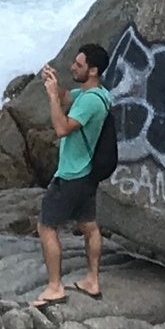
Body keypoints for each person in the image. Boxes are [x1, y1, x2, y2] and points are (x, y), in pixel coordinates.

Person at [30, 44, 113, 308]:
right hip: (88, 175)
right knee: (88, 225)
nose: (72, 67)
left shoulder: (90, 102)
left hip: (72, 175)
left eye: (78, 65)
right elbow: (68, 98)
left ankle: (55, 287)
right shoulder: (98, 94)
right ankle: (92, 280)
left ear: (93, 70)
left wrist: (53, 98)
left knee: (46, 227)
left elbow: (62, 128)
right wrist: (53, 86)